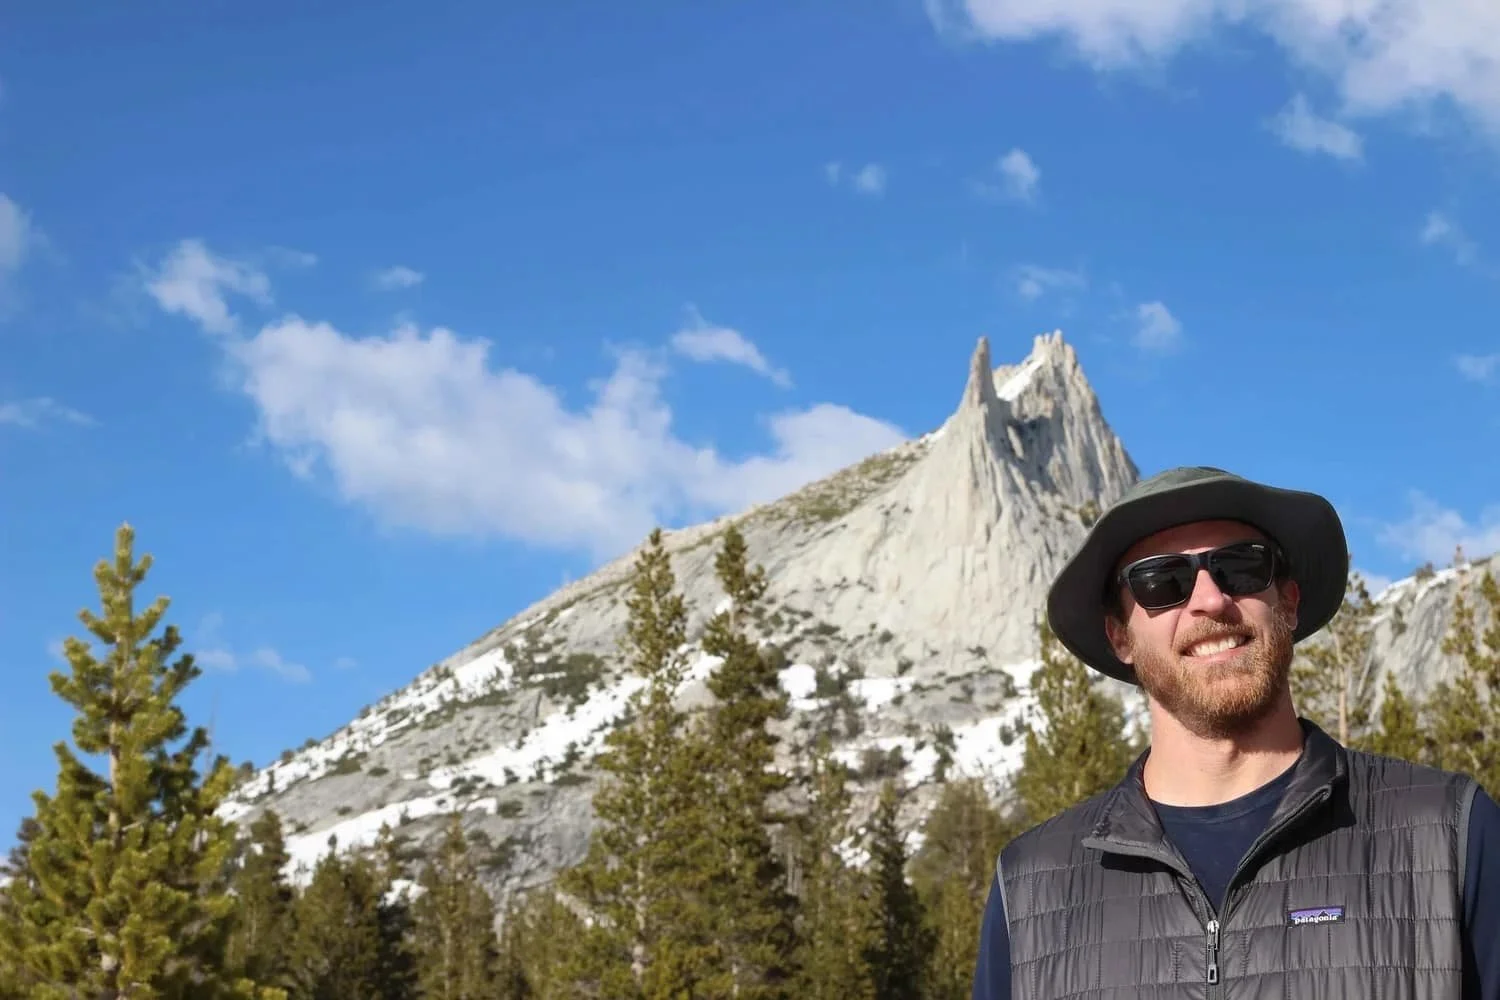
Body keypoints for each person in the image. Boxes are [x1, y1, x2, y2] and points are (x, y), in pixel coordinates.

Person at [971, 465, 1500, 999]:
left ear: (1287, 602)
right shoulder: (1029, 887)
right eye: (1161, 582)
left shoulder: (1450, 833)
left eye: (1240, 567)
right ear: (1120, 638)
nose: (1210, 599)